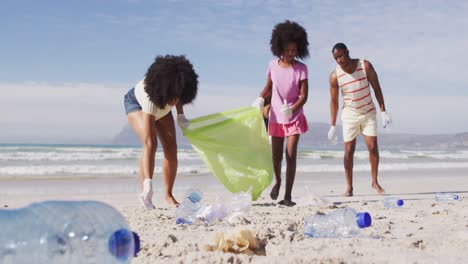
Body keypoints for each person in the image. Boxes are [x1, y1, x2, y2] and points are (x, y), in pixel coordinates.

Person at [124, 55, 198, 209]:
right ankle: (146, 194)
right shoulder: (151, 99)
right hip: (137, 103)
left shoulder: (177, 89)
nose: (176, 101)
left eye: (179, 97)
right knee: (151, 143)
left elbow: (179, 97)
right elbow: (149, 142)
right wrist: (149, 183)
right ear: (166, 92)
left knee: (171, 147)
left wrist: (180, 114)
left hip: (161, 106)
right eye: (174, 98)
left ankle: (169, 195)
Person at [252, 20, 309, 206]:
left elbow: (304, 95)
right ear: (279, 48)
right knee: (276, 157)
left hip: (294, 117)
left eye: (294, 50)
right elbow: (268, 87)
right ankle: (277, 181)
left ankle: (288, 196)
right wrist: (260, 99)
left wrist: (292, 109)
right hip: (276, 117)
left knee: (290, 154)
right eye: (287, 50)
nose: (290, 54)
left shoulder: (301, 69)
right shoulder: (272, 66)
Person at [328, 43, 391, 197]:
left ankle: (374, 182)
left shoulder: (365, 66)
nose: (340, 60)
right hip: (349, 115)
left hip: (368, 112)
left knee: (372, 147)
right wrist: (332, 124)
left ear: (347, 52)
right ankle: (349, 188)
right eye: (336, 58)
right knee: (349, 151)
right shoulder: (335, 76)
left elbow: (377, 88)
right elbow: (334, 101)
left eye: (341, 56)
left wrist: (383, 111)